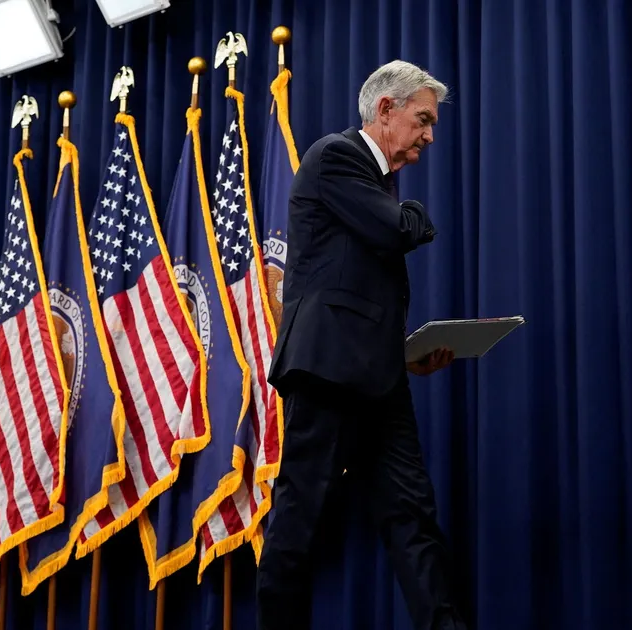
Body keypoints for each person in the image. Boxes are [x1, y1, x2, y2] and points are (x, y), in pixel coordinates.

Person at [257, 60, 467, 630]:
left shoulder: (375, 182)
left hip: (380, 377)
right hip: (327, 372)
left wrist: (408, 356)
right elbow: (397, 229)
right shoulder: (337, 156)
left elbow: (354, 286)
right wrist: (415, 214)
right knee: (300, 517)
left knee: (412, 515)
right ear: (385, 109)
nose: (429, 135)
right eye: (423, 119)